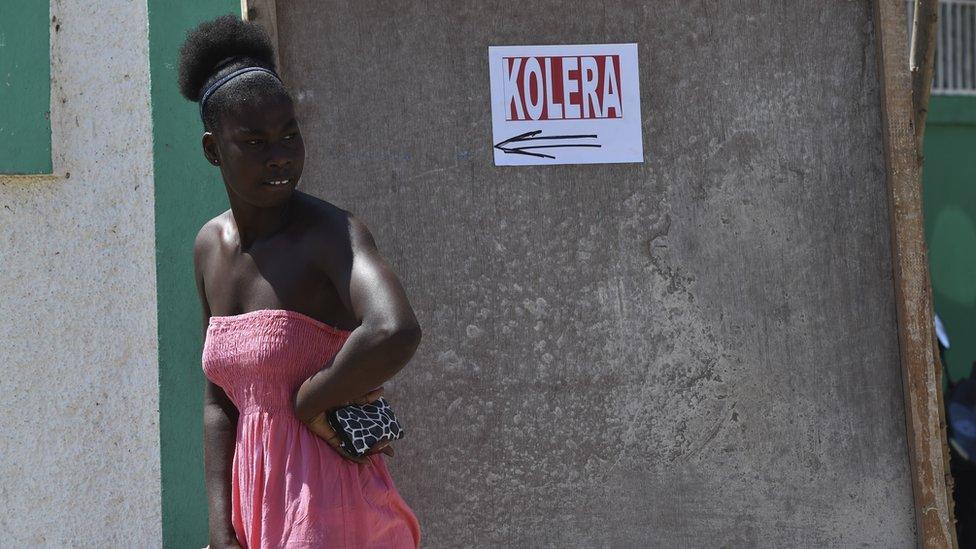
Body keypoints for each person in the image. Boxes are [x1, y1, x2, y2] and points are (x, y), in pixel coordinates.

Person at [180, 15, 423, 548]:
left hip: (330, 506)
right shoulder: (209, 249)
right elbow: (217, 402)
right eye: (256, 141)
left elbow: (394, 328)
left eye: (290, 133)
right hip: (257, 506)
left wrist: (312, 399)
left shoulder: (331, 234)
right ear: (212, 149)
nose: (282, 155)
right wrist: (222, 532)